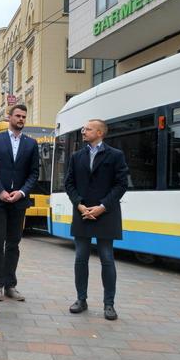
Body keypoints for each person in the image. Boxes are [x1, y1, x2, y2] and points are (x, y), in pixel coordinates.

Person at [64, 119, 129, 321]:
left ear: (100, 132)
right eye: (83, 128)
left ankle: (109, 305)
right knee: (80, 258)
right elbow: (69, 183)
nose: (83, 131)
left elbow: (121, 185)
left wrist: (102, 207)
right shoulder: (76, 156)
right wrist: (80, 204)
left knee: (107, 259)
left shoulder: (115, 155)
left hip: (106, 214)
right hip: (82, 213)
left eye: (88, 129)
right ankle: (81, 300)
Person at [0, 104, 39, 302]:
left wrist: (23, 192)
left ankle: (10, 285)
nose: (21, 119)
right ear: (10, 117)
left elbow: (34, 172)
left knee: (13, 244)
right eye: (18, 116)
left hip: (18, 202)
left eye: (24, 116)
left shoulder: (31, 144)